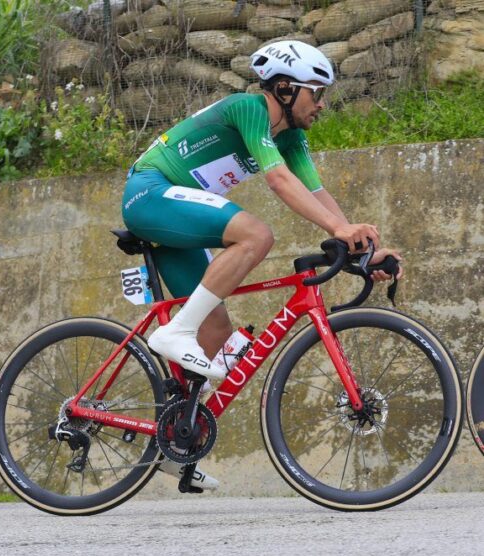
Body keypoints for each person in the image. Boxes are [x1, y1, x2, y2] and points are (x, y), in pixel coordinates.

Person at [121, 41, 402, 491]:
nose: (323, 104)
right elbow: (276, 180)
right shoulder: (249, 108)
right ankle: (172, 333)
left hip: (177, 216)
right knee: (256, 234)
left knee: (214, 335)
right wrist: (339, 228)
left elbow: (313, 193)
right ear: (286, 89)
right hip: (150, 194)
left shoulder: (290, 137)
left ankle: (174, 446)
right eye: (317, 92)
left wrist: (362, 247)